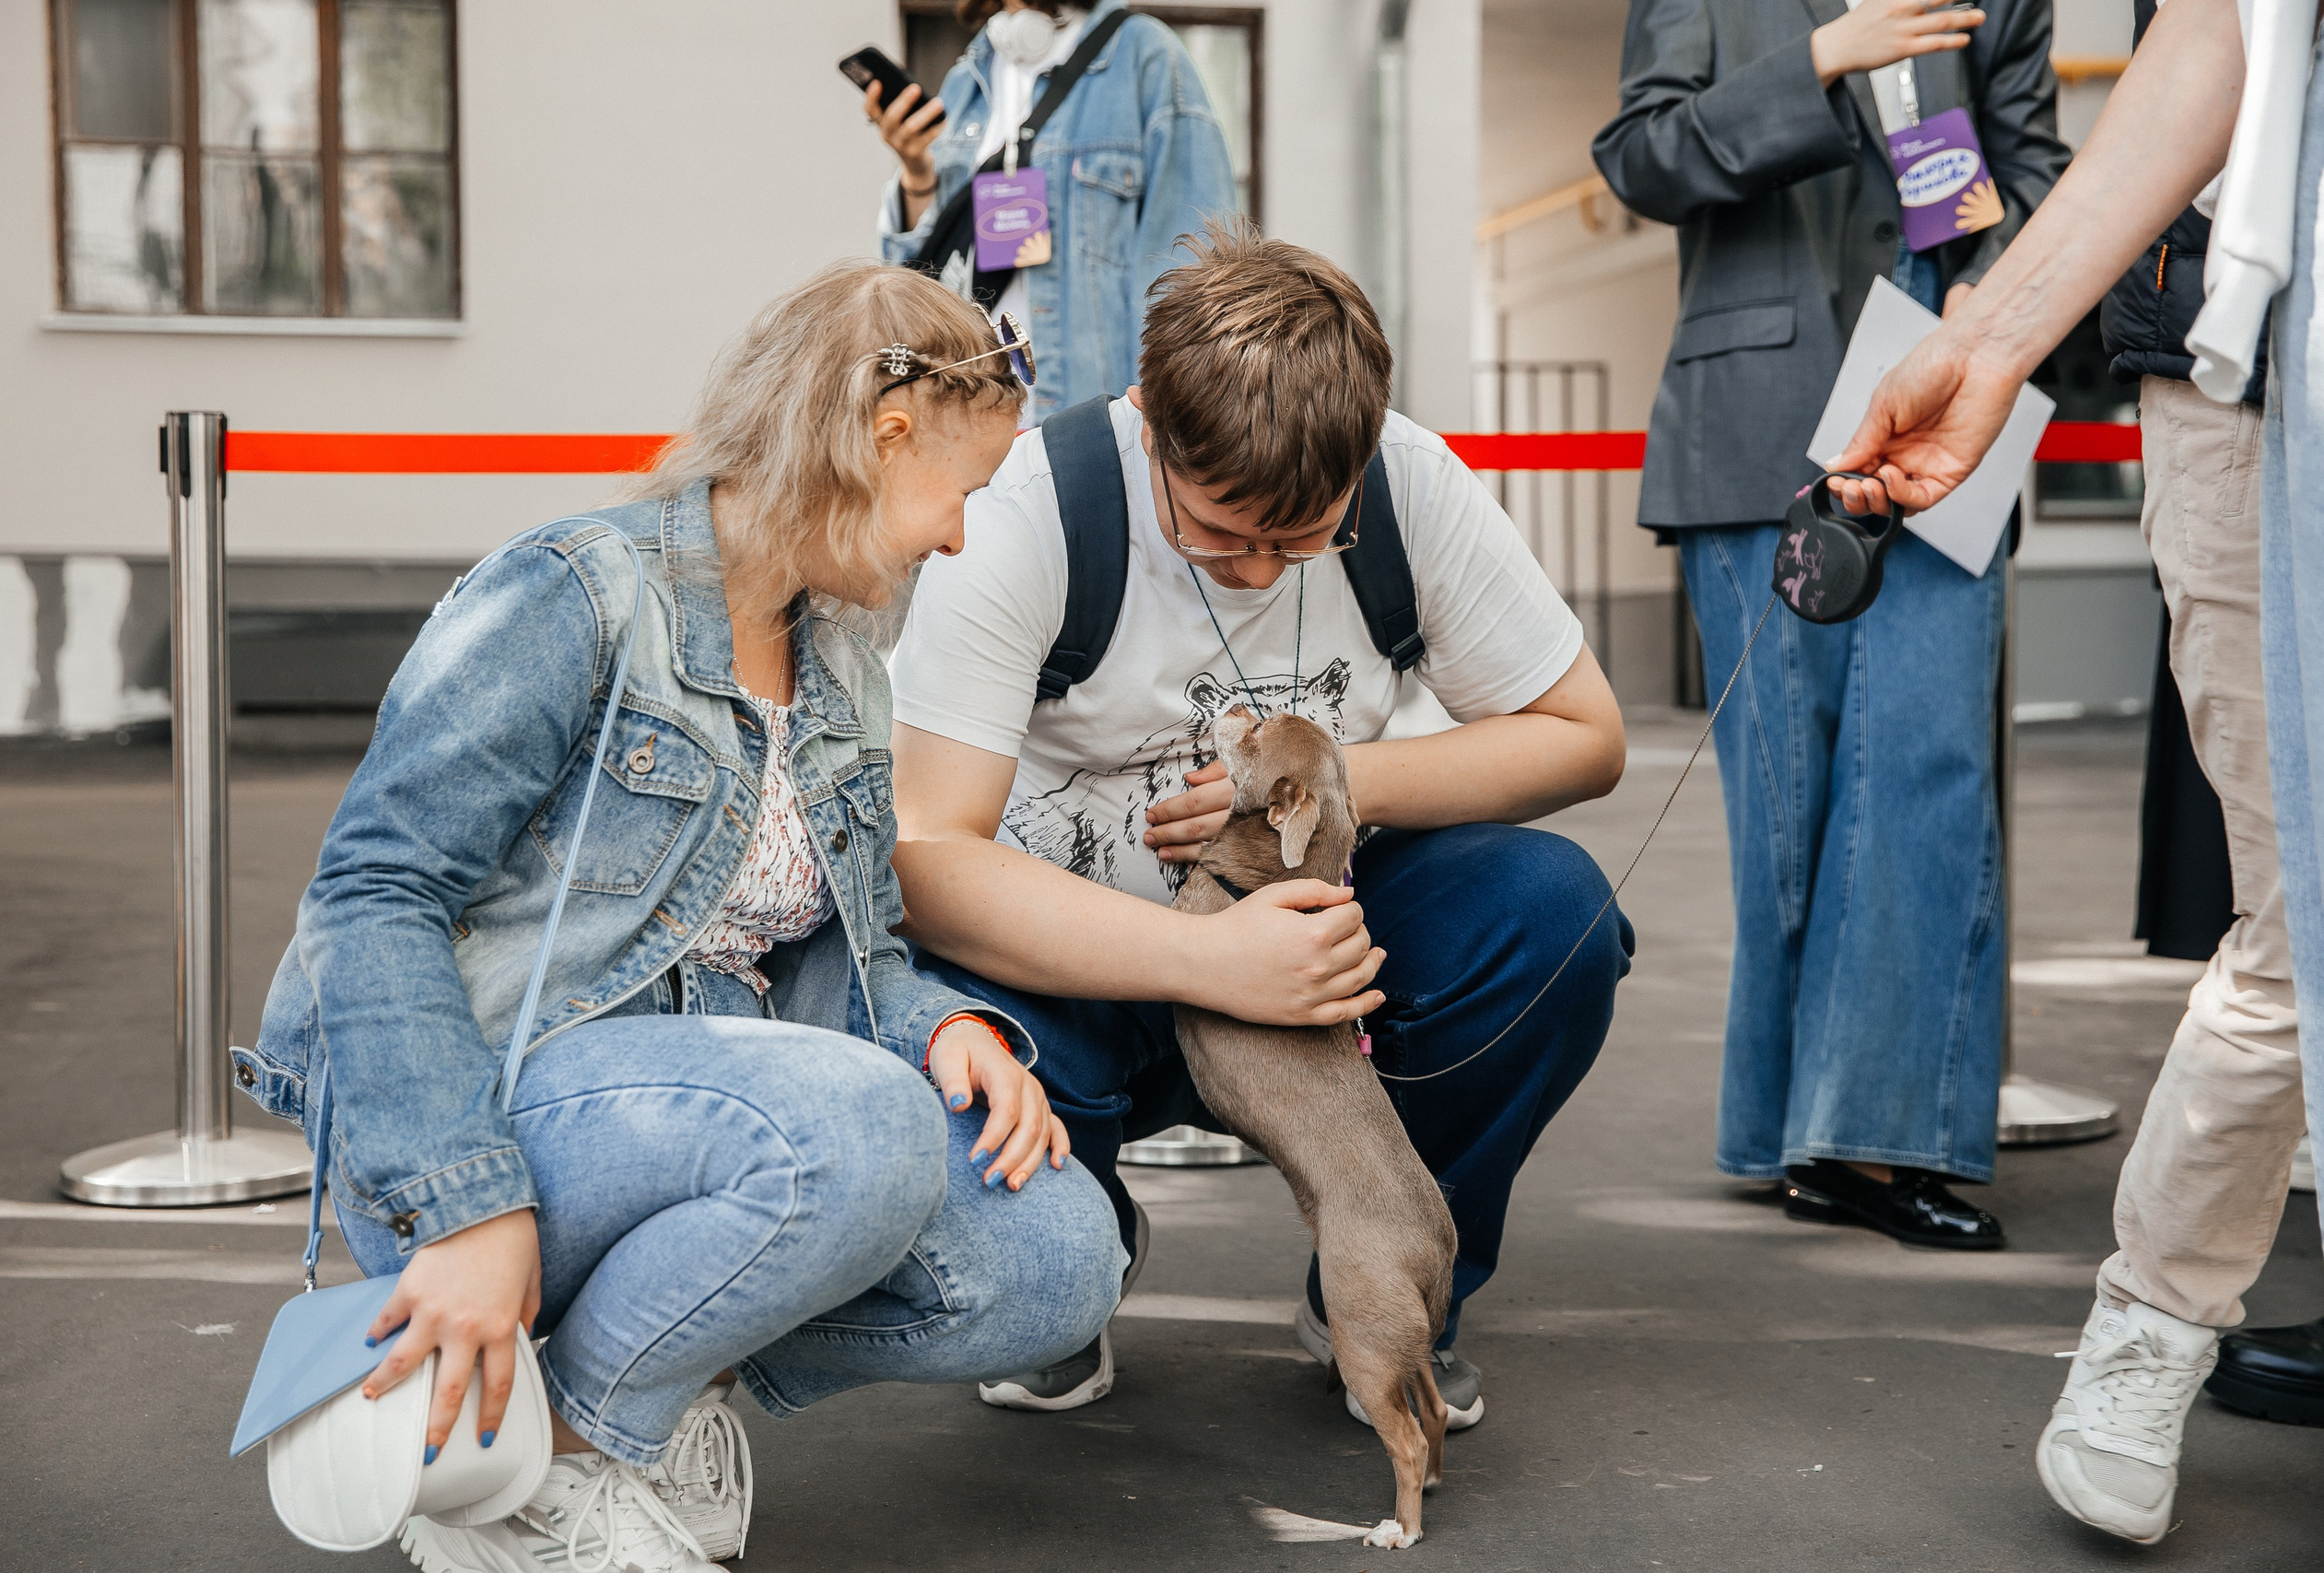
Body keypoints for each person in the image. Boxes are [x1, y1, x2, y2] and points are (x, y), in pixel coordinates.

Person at [231, 264, 1124, 1573]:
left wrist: (943, 1027)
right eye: (964, 493)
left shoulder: (841, 666)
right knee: (860, 1131)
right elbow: (373, 891)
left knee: (1056, 1259)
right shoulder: (575, 592)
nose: (959, 539)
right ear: (882, 437)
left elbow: (840, 949)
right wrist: (468, 1205)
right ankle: (558, 1470)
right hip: (483, 1107)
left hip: (716, 1114)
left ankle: (620, 1384)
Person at [886, 224, 1633, 1428]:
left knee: (1555, 916)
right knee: (972, 1065)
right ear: (1151, 424)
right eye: (1220, 530)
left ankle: (1380, 1276)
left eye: (1301, 539)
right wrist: (1206, 957)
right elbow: (926, 857)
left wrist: (1341, 783)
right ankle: (1078, 1258)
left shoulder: (1409, 484)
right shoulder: (1033, 509)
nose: (1255, 571)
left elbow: (1584, 733)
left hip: (1323, 941)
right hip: (1079, 968)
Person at [1819, 0, 2324, 1537]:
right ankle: (2156, 1317)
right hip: (2260, 365)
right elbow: (2216, 37)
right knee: (2309, 920)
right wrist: (1989, 339)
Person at [1591, 0, 2070, 1248]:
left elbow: (2036, 177)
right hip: (1759, 426)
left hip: (1949, 414)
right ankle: (1787, 1131)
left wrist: (1991, 282)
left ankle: (1876, 1143)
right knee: (1787, 807)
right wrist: (1816, 64)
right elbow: (1639, 157)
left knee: (1930, 776)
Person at [867, 0, 1236, 419]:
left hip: (1090, 425)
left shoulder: (1143, 56)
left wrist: (1168, 425)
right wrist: (917, 176)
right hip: (970, 421)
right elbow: (924, 282)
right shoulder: (967, 79)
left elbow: (1196, 277)